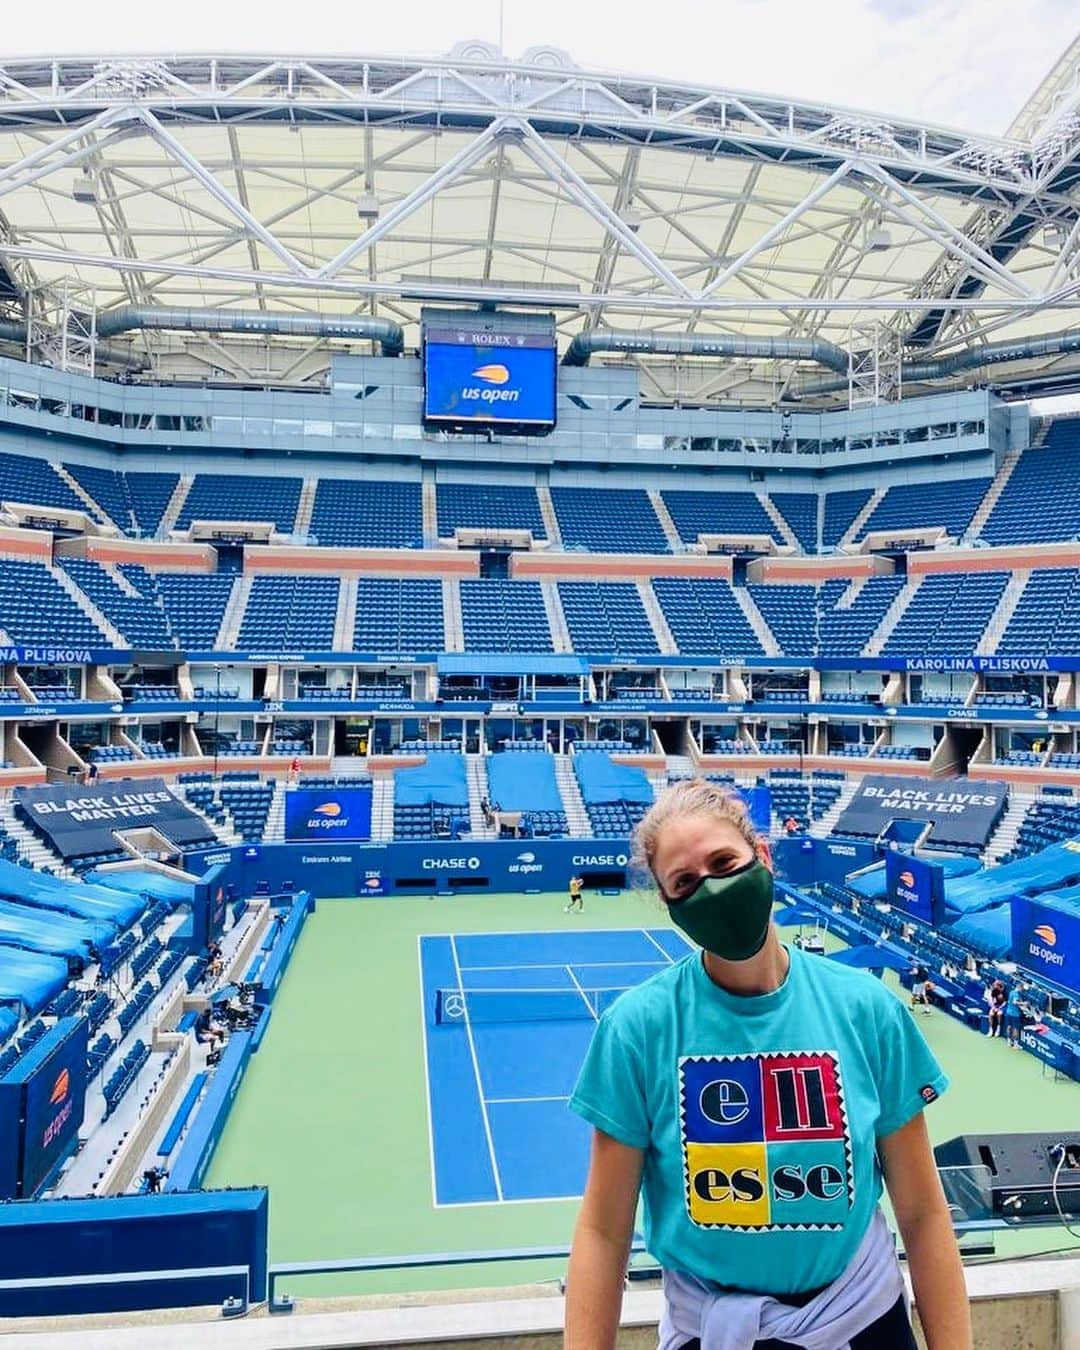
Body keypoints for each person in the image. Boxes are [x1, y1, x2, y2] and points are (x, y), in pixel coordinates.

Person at [565, 779, 969, 1350]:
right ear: (669, 903)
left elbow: (924, 1214)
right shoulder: (637, 1030)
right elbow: (603, 1233)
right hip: (713, 1331)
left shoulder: (866, 1009)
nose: (711, 889)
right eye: (685, 882)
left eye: (724, 862)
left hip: (863, 1321)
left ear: (763, 855)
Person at [1004, 983, 1024, 1048]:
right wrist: (1024, 1003)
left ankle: (1009, 1042)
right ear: (1020, 987)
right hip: (1015, 1014)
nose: (1022, 990)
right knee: (1016, 1029)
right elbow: (1015, 1002)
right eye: (1022, 989)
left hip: (1008, 1012)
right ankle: (1015, 1044)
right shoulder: (1016, 994)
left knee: (1009, 1027)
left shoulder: (1011, 992)